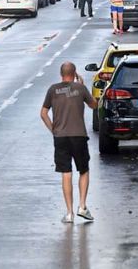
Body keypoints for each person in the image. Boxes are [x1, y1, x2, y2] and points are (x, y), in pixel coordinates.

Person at [40, 62, 98, 224]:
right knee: (84, 170)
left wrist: (54, 130)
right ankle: (82, 207)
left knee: (66, 173)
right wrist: (83, 86)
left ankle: (69, 213)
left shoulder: (53, 89)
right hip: (79, 136)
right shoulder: (80, 88)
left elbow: (43, 113)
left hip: (61, 138)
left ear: (61, 74)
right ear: (74, 74)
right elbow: (94, 105)